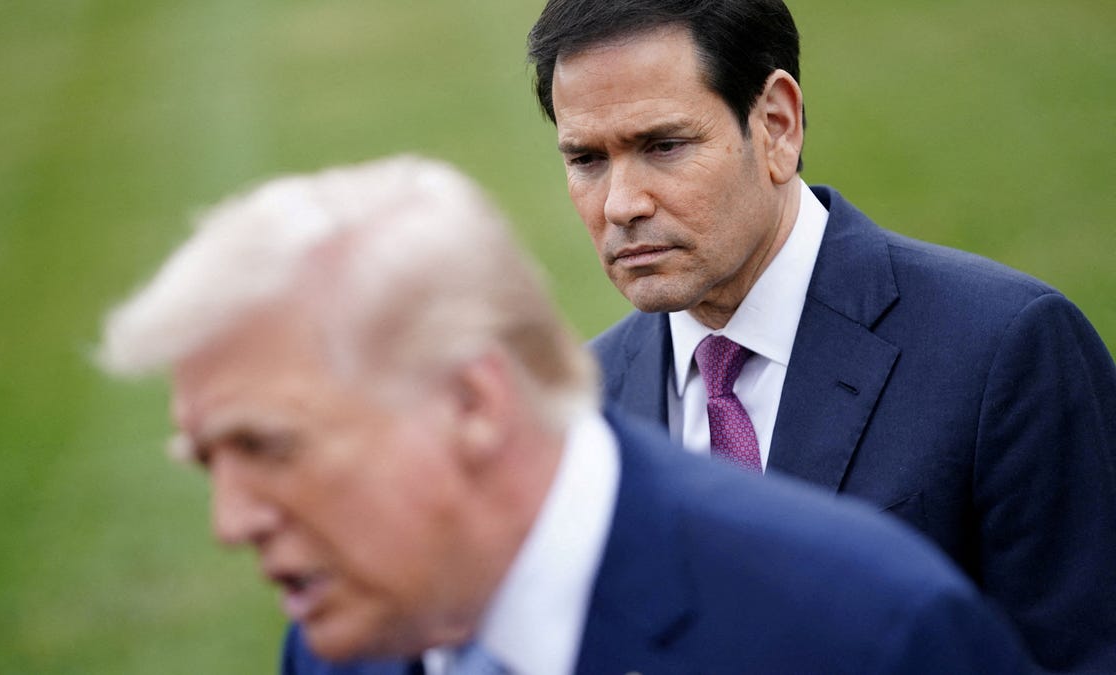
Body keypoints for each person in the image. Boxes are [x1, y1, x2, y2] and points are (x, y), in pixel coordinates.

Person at [99, 155, 1033, 674]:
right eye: (208, 461)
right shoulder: (336, 648)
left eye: (269, 445)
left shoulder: (863, 630)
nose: (232, 521)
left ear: (470, 401)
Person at [526, 1, 1116, 672]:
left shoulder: (1007, 351)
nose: (621, 204)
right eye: (587, 159)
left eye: (663, 145)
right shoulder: (577, 413)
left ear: (777, 125)